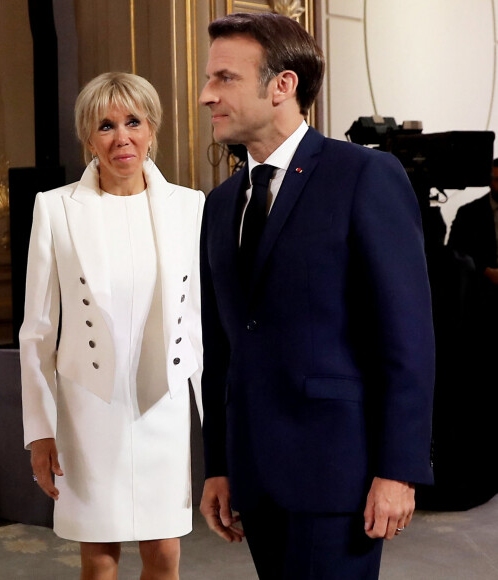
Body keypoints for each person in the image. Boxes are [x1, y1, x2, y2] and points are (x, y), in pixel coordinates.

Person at [198, 13, 435, 579]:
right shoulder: (221, 203)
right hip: (254, 475)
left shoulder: (364, 175)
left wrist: (398, 468)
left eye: (225, 78)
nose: (207, 95)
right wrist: (219, 465)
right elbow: (222, 351)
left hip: (340, 474)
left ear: (283, 85)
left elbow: (407, 338)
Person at [19, 72, 204, 580]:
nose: (121, 136)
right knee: (99, 558)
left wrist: (221, 427)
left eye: (132, 122)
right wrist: (40, 430)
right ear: (88, 138)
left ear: (151, 130)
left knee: (164, 551)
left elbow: (197, 323)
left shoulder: (190, 206)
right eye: (105, 125)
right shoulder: (55, 208)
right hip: (88, 406)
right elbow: (37, 329)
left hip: (160, 405)